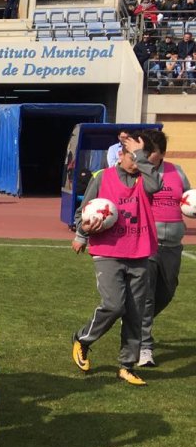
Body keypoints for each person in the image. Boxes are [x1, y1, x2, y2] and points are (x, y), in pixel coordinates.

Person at [71, 132, 160, 386]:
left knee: (135, 312)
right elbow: (83, 211)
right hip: (107, 251)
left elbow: (155, 186)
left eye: (143, 158)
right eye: (133, 156)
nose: (138, 162)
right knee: (114, 304)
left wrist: (141, 156)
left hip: (139, 250)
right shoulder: (103, 178)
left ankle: (126, 365)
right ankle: (82, 339)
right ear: (119, 155)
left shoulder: (145, 178)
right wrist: (82, 233)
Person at [137, 129, 190, 367]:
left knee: (168, 292)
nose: (148, 156)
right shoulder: (140, 173)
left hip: (173, 244)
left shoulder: (176, 171)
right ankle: (145, 347)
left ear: (162, 153)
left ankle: (135, 320)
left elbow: (188, 197)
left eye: (152, 151)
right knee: (146, 297)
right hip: (147, 243)